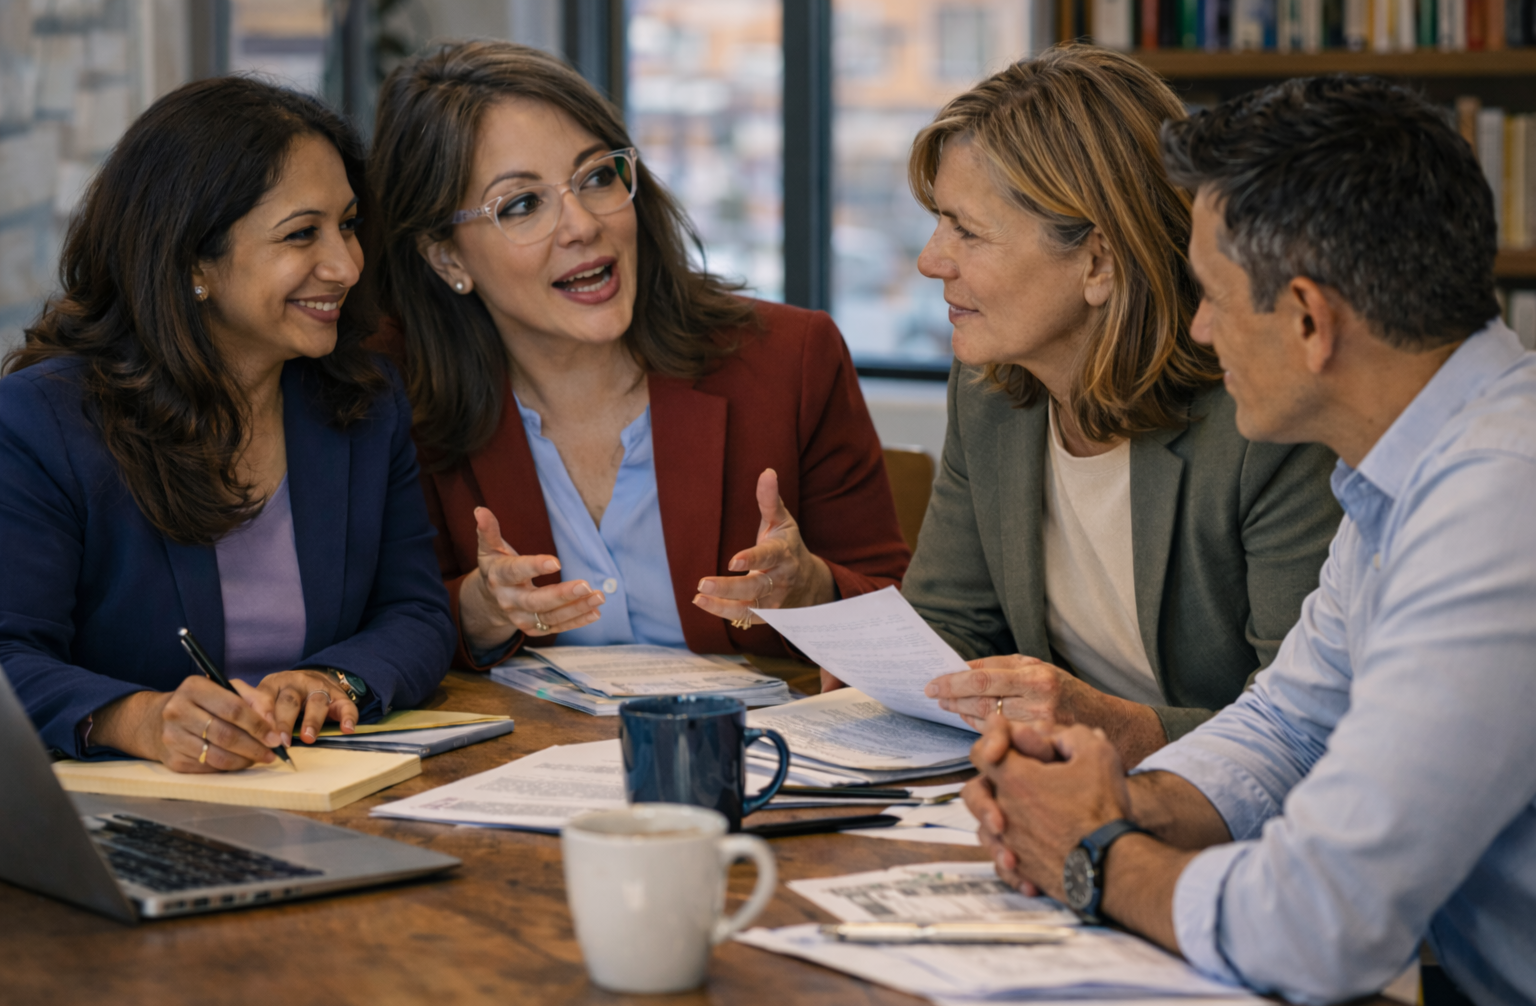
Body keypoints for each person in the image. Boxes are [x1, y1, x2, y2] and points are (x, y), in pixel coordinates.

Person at [965, 76, 1536, 1006]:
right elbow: (1290, 727)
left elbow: (1323, 923)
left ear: (1310, 320)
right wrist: (1118, 800)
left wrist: (1097, 854)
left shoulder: (1499, 501)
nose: (1195, 328)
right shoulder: (1408, 468)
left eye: (1212, 296)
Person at [832, 46, 1340, 765]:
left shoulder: (1265, 420)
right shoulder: (990, 391)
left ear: (1099, 261)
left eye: (966, 231)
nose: (930, 260)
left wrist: (1121, 729)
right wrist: (852, 640)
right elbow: (952, 635)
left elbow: (1312, 730)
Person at [368, 41, 908, 668]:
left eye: (596, 176)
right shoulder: (395, 391)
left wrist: (812, 588)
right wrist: (480, 611)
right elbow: (380, 620)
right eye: (522, 204)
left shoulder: (791, 359)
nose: (581, 225)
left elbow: (897, 615)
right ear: (447, 258)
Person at [0, 78, 456, 772]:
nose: (346, 265)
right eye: (302, 234)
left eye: (349, 224)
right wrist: (138, 720)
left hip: (322, 790)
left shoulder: (366, 401)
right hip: (121, 820)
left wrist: (333, 680)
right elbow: (9, 656)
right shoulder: (41, 422)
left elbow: (415, 614)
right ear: (192, 262)